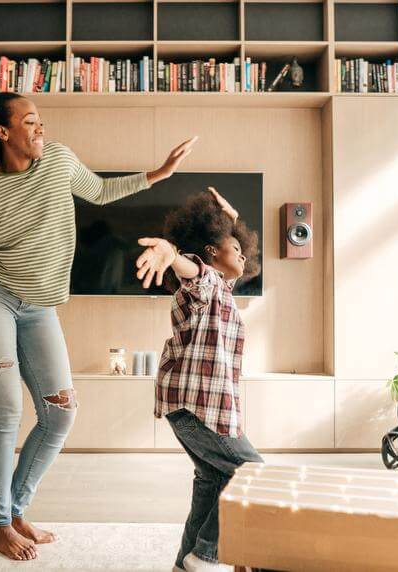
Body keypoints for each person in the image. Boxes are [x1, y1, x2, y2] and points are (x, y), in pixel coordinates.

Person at [0, 91, 197, 560]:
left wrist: (158, 173)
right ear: (4, 133)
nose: (40, 127)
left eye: (40, 120)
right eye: (30, 121)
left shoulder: (59, 160)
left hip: (40, 307)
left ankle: (16, 509)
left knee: (60, 413)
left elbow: (101, 191)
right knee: (5, 413)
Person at [135, 187, 262, 572]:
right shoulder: (202, 286)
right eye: (233, 247)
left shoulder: (223, 288)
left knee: (211, 480)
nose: (242, 253)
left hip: (196, 407)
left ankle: (185, 564)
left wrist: (235, 220)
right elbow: (189, 268)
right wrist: (171, 255)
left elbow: (239, 261)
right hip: (196, 407)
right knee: (252, 471)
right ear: (210, 252)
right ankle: (206, 554)